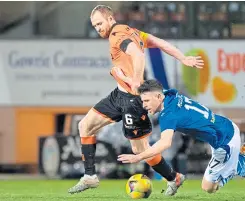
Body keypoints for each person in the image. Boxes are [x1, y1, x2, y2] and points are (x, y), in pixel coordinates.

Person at [68, 5, 204, 195]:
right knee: (85, 126)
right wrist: (183, 58)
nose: (98, 28)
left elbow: (138, 54)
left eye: (100, 23)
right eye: (94, 25)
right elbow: (160, 43)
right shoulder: (133, 32)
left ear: (110, 19)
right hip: (119, 94)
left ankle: (174, 178)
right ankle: (90, 176)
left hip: (132, 99)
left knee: (140, 149)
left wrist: (136, 80)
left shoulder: (118, 35)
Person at [118, 80, 245, 197]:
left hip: (224, 143)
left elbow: (165, 143)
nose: (144, 105)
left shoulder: (168, 115)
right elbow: (154, 90)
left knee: (209, 188)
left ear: (159, 97)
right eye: (143, 101)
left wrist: (139, 156)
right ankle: (243, 159)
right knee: (230, 168)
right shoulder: (171, 95)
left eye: (146, 101)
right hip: (224, 130)